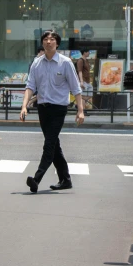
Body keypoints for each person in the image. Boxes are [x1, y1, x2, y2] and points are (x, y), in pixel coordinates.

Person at [20, 30, 85, 193]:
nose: (49, 42)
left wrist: (80, 110)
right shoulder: (37, 63)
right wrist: (24, 106)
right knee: (54, 145)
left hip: (58, 109)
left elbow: (76, 88)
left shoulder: (65, 63)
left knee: (49, 144)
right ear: (42, 43)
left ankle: (36, 179)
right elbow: (30, 86)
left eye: (52, 39)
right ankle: (65, 179)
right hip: (42, 108)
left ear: (57, 43)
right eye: (46, 39)